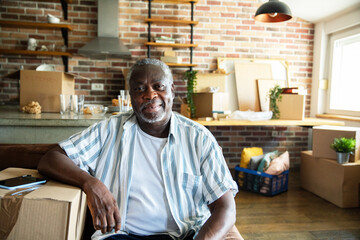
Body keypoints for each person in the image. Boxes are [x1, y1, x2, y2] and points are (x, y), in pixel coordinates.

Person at [38, 58, 241, 240]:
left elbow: (226, 208)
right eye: (140, 89)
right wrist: (91, 184)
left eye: (158, 86)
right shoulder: (108, 130)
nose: (150, 95)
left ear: (172, 90)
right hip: (121, 235)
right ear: (131, 96)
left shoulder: (199, 137)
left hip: (185, 235)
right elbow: (52, 158)